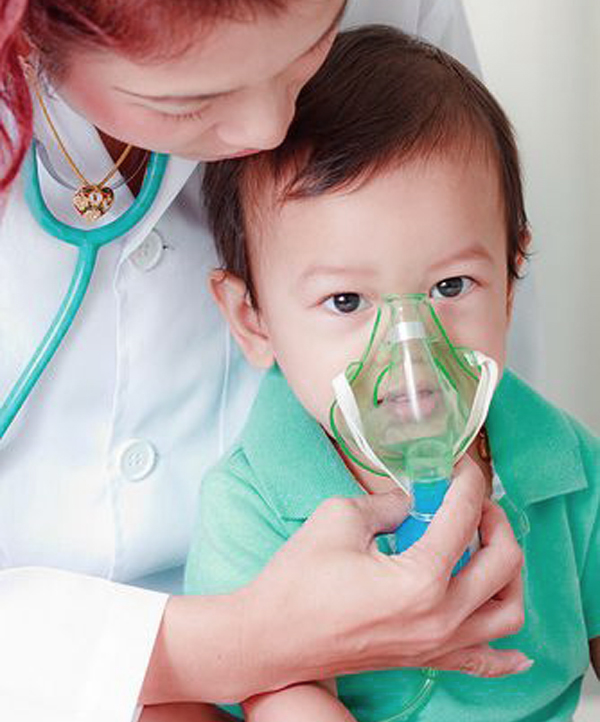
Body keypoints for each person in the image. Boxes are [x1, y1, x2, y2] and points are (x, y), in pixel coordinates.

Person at [0, 2, 527, 721]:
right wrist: (256, 644)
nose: (269, 131)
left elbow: (477, 295)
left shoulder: (542, 449)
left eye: (311, 47)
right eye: (187, 100)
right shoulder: (251, 505)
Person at [186, 26, 600, 721]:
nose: (411, 351)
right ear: (253, 320)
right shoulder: (252, 505)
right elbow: (281, 693)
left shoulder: (565, 464)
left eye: (451, 287)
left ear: (509, 280)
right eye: (347, 301)